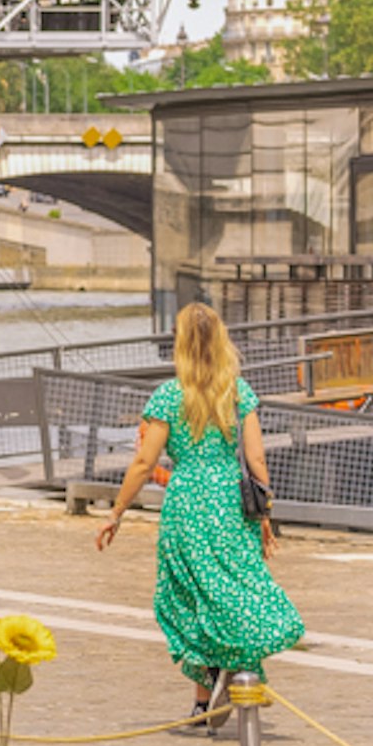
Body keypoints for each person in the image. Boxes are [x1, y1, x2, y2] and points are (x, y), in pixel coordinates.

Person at [95, 301, 303, 718]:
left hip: (187, 502)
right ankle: (233, 675)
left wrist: (116, 512)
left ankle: (204, 696)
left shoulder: (169, 397)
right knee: (234, 590)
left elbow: (143, 463)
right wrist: (264, 516)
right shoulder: (238, 393)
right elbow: (257, 460)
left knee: (190, 596)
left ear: (181, 345)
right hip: (231, 504)